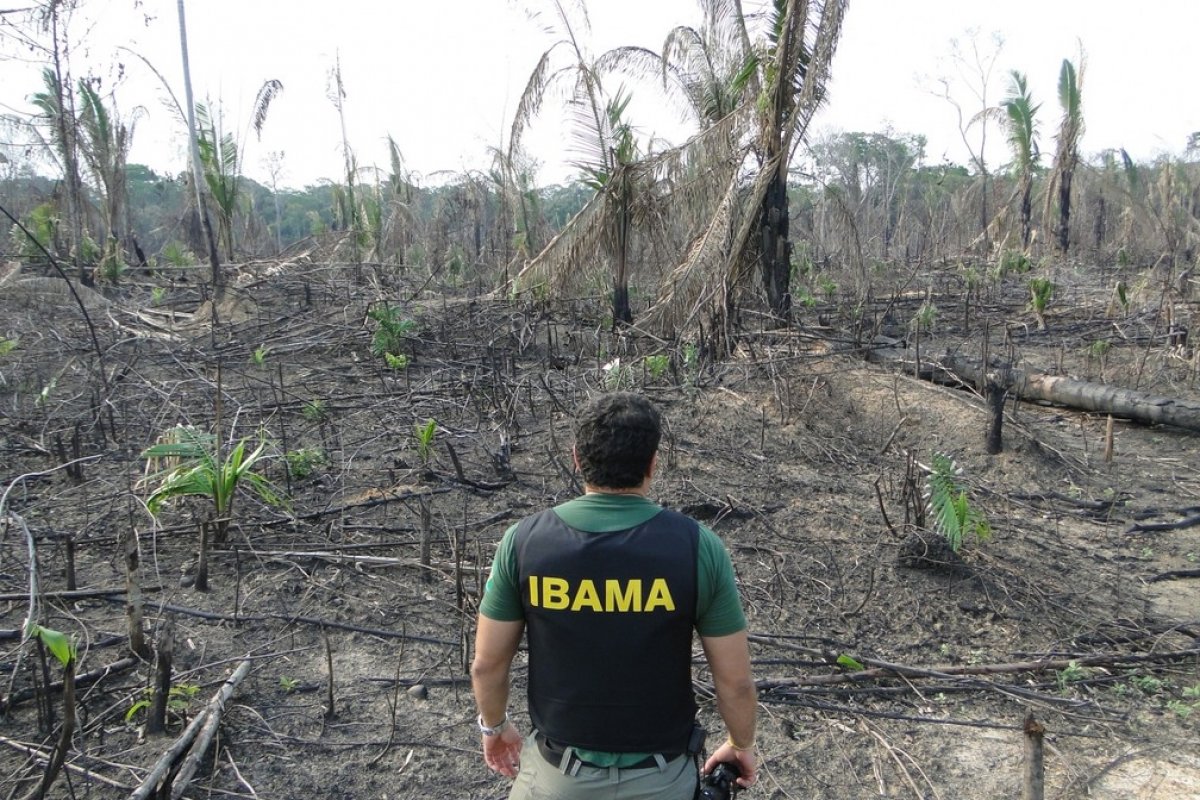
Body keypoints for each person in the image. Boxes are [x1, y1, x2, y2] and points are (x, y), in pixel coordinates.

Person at [471, 392, 757, 799]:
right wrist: (741, 744)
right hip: (662, 779)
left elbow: (487, 665)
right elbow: (735, 681)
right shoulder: (697, 547)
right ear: (652, 464)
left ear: (576, 458)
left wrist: (494, 726)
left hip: (556, 777)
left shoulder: (524, 542)